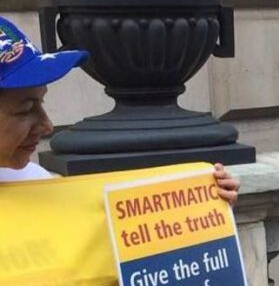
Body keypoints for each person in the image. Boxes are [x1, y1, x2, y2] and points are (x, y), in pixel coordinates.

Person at [0, 15, 239, 197]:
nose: (47, 125)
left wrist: (207, 204)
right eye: (25, 109)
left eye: (40, 103)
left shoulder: (34, 183)